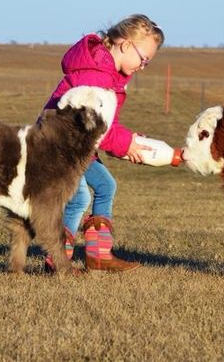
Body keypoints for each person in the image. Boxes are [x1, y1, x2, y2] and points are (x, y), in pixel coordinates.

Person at [41, 14, 164, 273]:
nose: (143, 66)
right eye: (144, 59)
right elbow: (98, 126)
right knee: (81, 197)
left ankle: (93, 255)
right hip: (61, 143)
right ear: (126, 45)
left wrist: (129, 140)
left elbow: (108, 125)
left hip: (75, 145)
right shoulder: (96, 73)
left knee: (101, 187)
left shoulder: (107, 72)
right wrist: (125, 145)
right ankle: (65, 259)